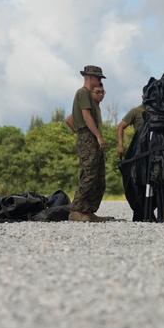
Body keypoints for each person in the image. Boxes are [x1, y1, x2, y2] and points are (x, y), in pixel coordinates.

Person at [68, 65, 109, 222]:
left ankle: (88, 210)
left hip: (89, 136)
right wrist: (97, 136)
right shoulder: (83, 92)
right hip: (88, 136)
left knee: (99, 177)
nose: (99, 81)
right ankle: (76, 209)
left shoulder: (90, 98)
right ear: (90, 77)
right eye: (98, 78)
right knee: (88, 174)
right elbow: (85, 117)